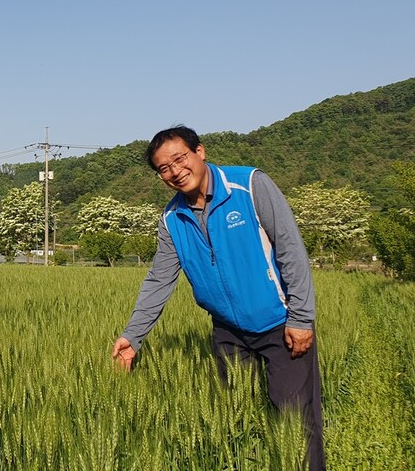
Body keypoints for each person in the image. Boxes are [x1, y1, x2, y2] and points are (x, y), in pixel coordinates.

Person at [111, 125, 325, 470]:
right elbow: (159, 280)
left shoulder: (250, 186)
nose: (175, 171)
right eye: (163, 168)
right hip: (227, 332)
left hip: (279, 325)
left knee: (295, 420)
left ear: (200, 152)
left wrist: (301, 318)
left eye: (179, 159)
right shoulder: (172, 219)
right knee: (236, 419)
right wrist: (133, 336)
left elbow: (290, 249)